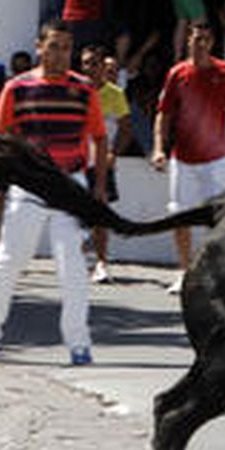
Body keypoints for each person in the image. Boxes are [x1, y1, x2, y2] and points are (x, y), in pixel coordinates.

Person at [0, 20, 106, 365]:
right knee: (8, 261)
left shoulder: (85, 89)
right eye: (54, 46)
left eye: (66, 47)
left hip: (71, 184)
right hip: (28, 185)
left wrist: (99, 185)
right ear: (39, 46)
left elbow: (101, 139)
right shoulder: (17, 87)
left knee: (72, 266)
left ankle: (78, 343)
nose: (60, 54)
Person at [151, 20, 225, 294]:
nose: (200, 44)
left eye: (205, 39)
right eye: (195, 39)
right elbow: (163, 114)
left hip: (217, 159)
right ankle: (184, 272)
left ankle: (218, 274)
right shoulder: (177, 73)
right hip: (183, 159)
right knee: (181, 216)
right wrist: (158, 148)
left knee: (222, 219)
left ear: (212, 43)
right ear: (187, 40)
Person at [80, 44, 130, 284]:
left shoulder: (115, 94)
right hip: (76, 162)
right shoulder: (74, 90)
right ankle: (79, 256)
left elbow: (126, 129)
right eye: (85, 63)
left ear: (102, 67)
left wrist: (113, 153)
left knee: (100, 212)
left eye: (93, 63)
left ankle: (101, 263)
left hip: (100, 163)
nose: (89, 68)